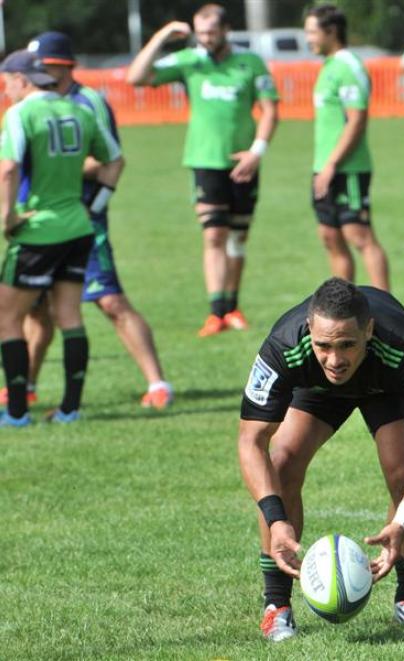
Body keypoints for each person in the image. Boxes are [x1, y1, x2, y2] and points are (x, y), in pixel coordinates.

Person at [238, 277, 404, 641]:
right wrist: (276, 521)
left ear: (369, 331)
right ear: (309, 331)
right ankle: (277, 605)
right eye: (323, 345)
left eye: (347, 345)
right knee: (283, 461)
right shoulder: (284, 346)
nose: (335, 359)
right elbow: (250, 441)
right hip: (317, 389)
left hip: (386, 384)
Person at [0, 31, 174, 411]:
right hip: (43, 219)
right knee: (37, 310)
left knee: (109, 301)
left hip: (77, 215)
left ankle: (157, 382)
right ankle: (27, 387)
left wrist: (67, 170)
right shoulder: (41, 106)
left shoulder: (86, 102)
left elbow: (107, 158)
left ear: (58, 67)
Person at [127, 3, 279, 337]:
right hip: (204, 161)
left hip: (244, 162)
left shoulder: (250, 63)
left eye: (212, 32)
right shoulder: (190, 61)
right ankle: (215, 312)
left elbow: (270, 110)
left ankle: (232, 306)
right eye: (201, 32)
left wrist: (257, 151)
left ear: (226, 30)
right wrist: (163, 35)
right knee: (213, 234)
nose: (206, 38)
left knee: (238, 238)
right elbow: (135, 77)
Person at [0, 50, 123, 426]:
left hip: (39, 230)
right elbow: (115, 160)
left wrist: (8, 218)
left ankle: (17, 412)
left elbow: (7, 168)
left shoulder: (21, 114)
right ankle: (70, 409)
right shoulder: (81, 110)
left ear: (23, 79)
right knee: (69, 315)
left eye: (6, 84)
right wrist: (96, 206)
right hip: (78, 226)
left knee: (7, 319)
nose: (5, 92)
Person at [304, 4, 390, 292]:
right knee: (329, 235)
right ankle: (343, 305)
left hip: (348, 168)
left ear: (332, 31)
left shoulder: (349, 66)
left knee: (360, 236)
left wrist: (332, 165)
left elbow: (357, 121)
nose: (308, 39)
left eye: (312, 32)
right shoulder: (327, 67)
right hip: (323, 168)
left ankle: (386, 309)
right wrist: (322, 167)